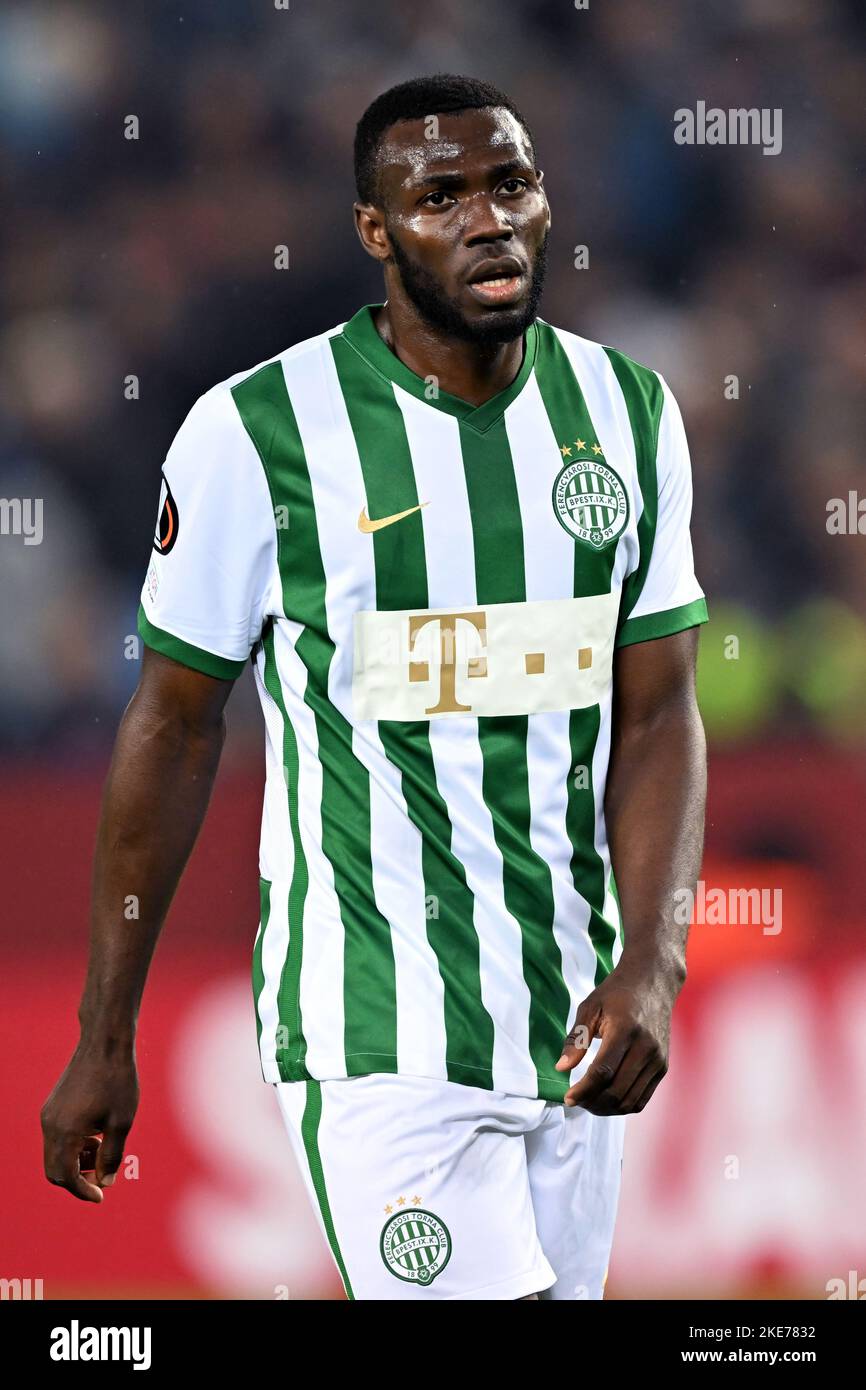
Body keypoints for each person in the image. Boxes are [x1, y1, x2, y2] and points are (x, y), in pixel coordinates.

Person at [41, 73, 708, 1301]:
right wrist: (103, 1034)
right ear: (374, 231)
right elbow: (173, 726)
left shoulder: (625, 411)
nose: (485, 219)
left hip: (576, 1031)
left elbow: (660, 708)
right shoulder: (256, 433)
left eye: (508, 184)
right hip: (376, 1032)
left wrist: (653, 965)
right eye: (439, 196)